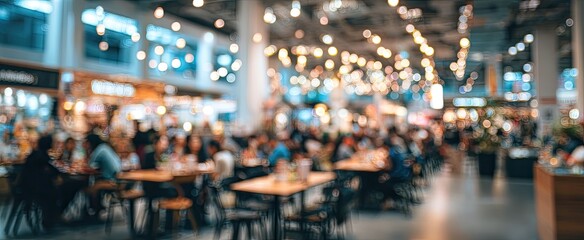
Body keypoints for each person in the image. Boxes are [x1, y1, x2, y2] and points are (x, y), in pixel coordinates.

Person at [19, 135, 60, 230]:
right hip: (37, 190)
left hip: (27, 188)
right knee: (58, 191)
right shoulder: (42, 157)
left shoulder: (33, 155)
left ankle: (53, 217)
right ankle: (51, 218)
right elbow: (54, 171)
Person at [84, 134, 122, 216]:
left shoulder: (99, 150)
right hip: (120, 179)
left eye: (87, 143)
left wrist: (87, 151)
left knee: (92, 188)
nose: (85, 144)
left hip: (114, 181)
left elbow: (89, 166)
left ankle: (94, 210)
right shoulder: (105, 147)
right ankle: (98, 207)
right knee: (96, 183)